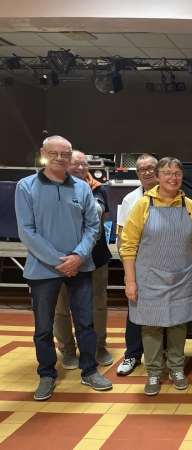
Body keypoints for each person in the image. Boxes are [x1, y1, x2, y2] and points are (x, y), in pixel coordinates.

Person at [15, 135, 113, 401]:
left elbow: (93, 227)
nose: (60, 157)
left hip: (80, 267)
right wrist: (61, 260)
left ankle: (89, 370)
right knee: (44, 327)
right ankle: (47, 374)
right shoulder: (26, 186)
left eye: (65, 153)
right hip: (44, 269)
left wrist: (78, 257)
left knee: (86, 322)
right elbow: (27, 231)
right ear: (43, 154)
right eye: (54, 153)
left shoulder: (82, 188)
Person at [121, 157, 192, 396]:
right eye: (167, 172)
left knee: (179, 324)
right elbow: (128, 246)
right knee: (151, 327)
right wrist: (131, 281)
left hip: (182, 276)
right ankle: (154, 372)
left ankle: (177, 368)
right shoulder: (142, 205)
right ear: (157, 176)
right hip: (149, 277)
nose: (173, 177)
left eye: (177, 173)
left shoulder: (188, 205)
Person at [53, 150, 113, 370]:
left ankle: (98, 346)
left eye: (84, 164)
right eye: (74, 164)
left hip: (95, 257)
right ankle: (67, 349)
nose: (80, 168)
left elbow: (101, 221)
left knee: (98, 304)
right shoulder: (55, 188)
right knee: (61, 307)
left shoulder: (99, 189)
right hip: (62, 258)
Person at [115, 154, 158, 376]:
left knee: (165, 312)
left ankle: (164, 354)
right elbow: (121, 238)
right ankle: (132, 354)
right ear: (137, 173)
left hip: (166, 266)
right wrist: (127, 271)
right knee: (135, 311)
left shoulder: (173, 195)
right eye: (142, 169)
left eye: (151, 168)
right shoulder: (130, 199)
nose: (147, 172)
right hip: (139, 266)